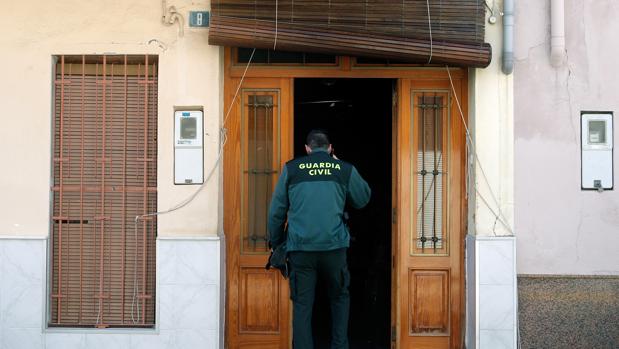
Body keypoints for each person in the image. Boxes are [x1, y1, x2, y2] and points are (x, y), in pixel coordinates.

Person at [268, 129, 371, 349]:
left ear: (307, 149)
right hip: (334, 249)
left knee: (303, 304)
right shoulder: (343, 169)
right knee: (339, 298)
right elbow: (363, 198)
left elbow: (276, 210)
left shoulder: (292, 169)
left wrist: (276, 243)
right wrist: (340, 164)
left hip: (301, 250)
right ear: (330, 148)